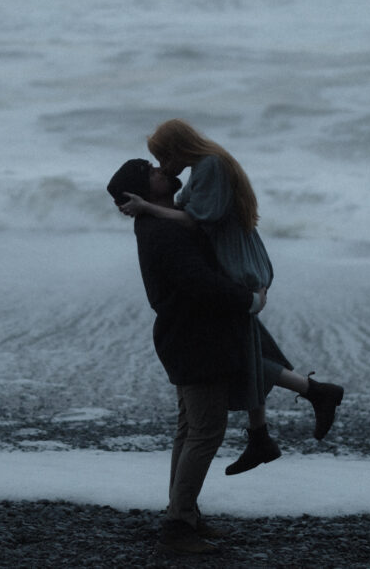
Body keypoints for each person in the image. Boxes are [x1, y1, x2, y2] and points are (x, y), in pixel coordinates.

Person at [118, 119, 344, 476]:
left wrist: (148, 208)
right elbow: (187, 213)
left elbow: (196, 220)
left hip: (237, 266)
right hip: (233, 263)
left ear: (179, 148)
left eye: (162, 157)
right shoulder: (203, 168)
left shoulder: (211, 166)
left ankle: (294, 410)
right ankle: (270, 427)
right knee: (248, 348)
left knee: (245, 350)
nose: (163, 166)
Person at [107, 158, 266, 555]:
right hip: (195, 338)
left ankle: (184, 514)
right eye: (152, 171)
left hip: (185, 336)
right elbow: (198, 282)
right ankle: (178, 527)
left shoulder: (162, 220)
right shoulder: (161, 230)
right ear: (140, 193)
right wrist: (248, 300)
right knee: (205, 431)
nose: (162, 170)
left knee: (190, 428)